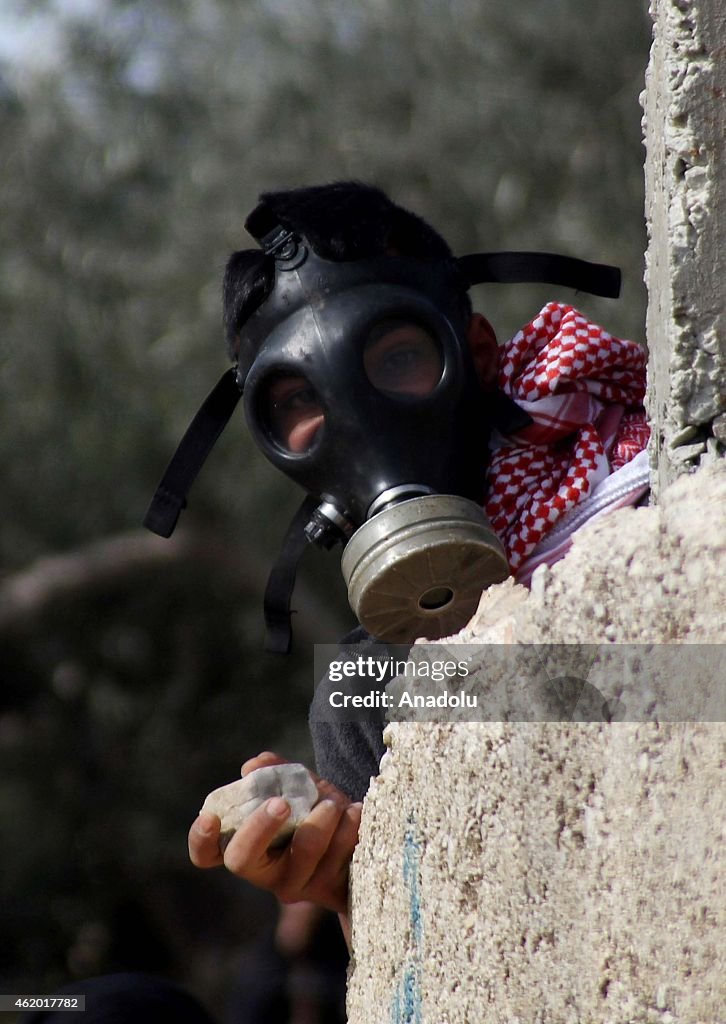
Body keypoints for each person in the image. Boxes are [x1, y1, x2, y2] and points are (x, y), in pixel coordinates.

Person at [181, 181, 650, 945]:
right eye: (298, 400)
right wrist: (348, 882)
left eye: (395, 356)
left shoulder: (653, 511)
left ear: (479, 354)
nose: (356, 416)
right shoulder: (366, 697)